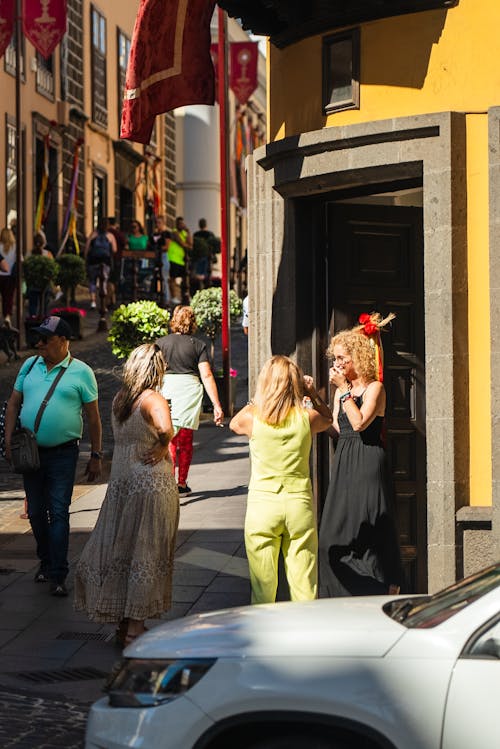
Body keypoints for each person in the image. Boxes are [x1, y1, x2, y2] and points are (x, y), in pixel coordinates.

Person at [74, 343, 179, 645]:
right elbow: (165, 426)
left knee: (123, 551)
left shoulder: (120, 398)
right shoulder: (152, 398)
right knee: (146, 553)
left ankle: (123, 625)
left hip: (122, 483)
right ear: (156, 369)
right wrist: (162, 444)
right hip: (151, 485)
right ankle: (135, 629)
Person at [4, 315, 103, 597]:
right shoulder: (29, 365)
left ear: (63, 341)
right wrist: (9, 440)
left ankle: (58, 572)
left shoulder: (81, 372)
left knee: (58, 511)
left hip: (63, 454)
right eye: (38, 337)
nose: (39, 343)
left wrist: (96, 454)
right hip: (30, 452)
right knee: (35, 512)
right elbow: (13, 404)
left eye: (45, 339)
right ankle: (46, 561)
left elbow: (94, 418)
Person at [230, 355, 333, 604]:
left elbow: (233, 424)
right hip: (299, 504)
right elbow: (328, 419)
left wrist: (258, 398)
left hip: (263, 506)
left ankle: (263, 634)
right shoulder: (306, 418)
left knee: (262, 587)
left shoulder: (253, 418)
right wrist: (311, 392)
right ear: (294, 384)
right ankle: (305, 634)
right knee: (304, 584)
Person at [318, 323, 404, 597]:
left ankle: (381, 590)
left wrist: (344, 390)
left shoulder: (375, 388)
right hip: (344, 460)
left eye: (343, 357)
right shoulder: (340, 393)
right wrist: (311, 403)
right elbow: (335, 428)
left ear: (359, 357)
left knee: (369, 533)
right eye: (337, 358)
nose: (339, 363)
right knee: (331, 537)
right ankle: (343, 595)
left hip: (367, 462)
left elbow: (359, 424)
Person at [156, 305, 223, 496]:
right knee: (185, 441)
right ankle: (181, 483)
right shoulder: (198, 345)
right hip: (188, 392)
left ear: (174, 321)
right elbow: (207, 375)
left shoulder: (160, 343)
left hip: (166, 390)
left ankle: (168, 482)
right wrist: (217, 405)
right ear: (193, 323)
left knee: (169, 438)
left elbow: (154, 370)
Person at [84, 218, 117, 309]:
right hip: (105, 262)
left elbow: (86, 248)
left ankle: (93, 302)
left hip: (93, 261)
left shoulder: (93, 234)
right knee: (104, 281)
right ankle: (103, 303)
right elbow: (114, 249)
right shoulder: (110, 236)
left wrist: (86, 258)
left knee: (92, 281)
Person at [27, 231, 55, 316]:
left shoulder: (29, 254)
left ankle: (33, 319)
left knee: (32, 305)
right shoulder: (48, 254)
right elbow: (52, 269)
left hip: (32, 284)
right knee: (45, 306)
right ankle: (44, 321)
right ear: (43, 243)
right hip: (45, 284)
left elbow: (26, 267)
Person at [168, 216, 192, 304]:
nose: (182, 225)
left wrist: (188, 232)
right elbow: (182, 243)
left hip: (182, 259)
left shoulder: (184, 233)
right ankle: (173, 297)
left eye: (182, 223)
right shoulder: (174, 232)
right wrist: (188, 246)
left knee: (185, 278)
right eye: (180, 224)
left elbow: (190, 243)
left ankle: (185, 295)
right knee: (173, 278)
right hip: (174, 258)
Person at [148, 215, 171, 305]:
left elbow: (167, 246)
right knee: (153, 278)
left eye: (159, 223)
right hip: (154, 257)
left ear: (163, 223)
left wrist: (158, 249)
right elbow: (149, 244)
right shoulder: (154, 234)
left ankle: (166, 299)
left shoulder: (166, 233)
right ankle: (153, 298)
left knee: (164, 278)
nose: (157, 224)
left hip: (163, 256)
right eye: (156, 223)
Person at [0, 227, 17, 326]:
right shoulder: (14, 247)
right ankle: (7, 317)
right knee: (8, 298)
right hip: (10, 277)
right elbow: (20, 260)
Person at [191, 218, 214, 291]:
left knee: (198, 274)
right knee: (206, 275)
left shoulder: (196, 234)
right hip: (206, 257)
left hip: (198, 257)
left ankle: (200, 286)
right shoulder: (210, 234)